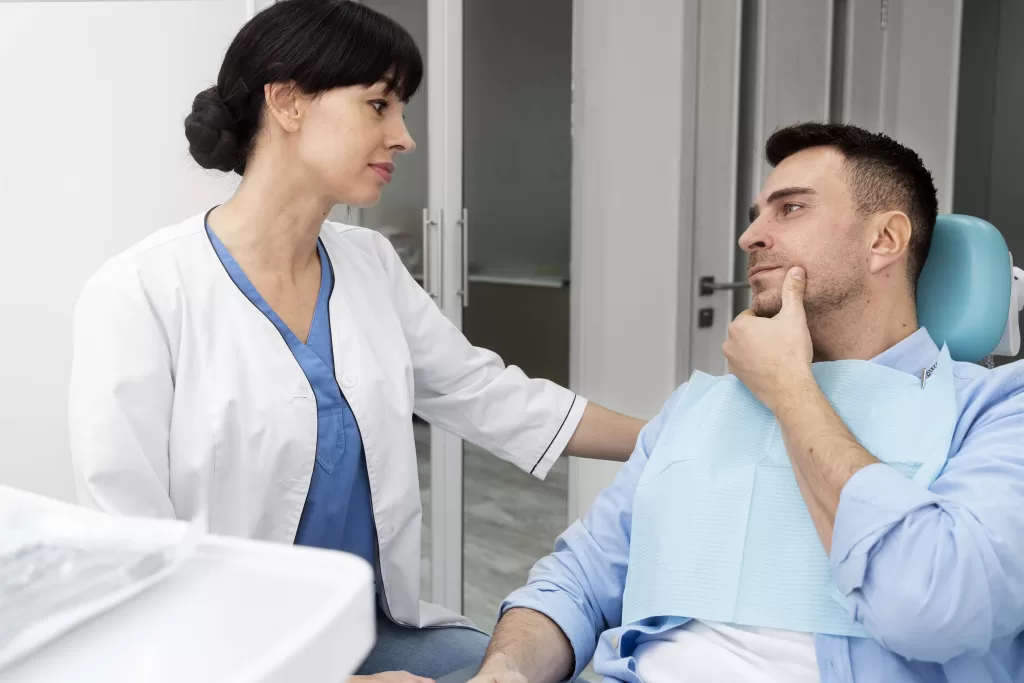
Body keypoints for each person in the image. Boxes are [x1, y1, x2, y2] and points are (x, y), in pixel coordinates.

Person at [67, 2, 644, 681]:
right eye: (378, 105)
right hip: (220, 650)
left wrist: (673, 433)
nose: (404, 137)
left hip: (366, 629)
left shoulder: (369, 263)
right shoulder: (141, 292)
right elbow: (131, 555)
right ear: (287, 100)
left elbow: (481, 391)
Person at [469, 123, 1024, 683]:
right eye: (756, 214)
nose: (750, 236)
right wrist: (505, 670)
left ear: (884, 240)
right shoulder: (698, 408)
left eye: (791, 209)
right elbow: (577, 582)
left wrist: (789, 388)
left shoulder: (996, 411)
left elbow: (935, 607)